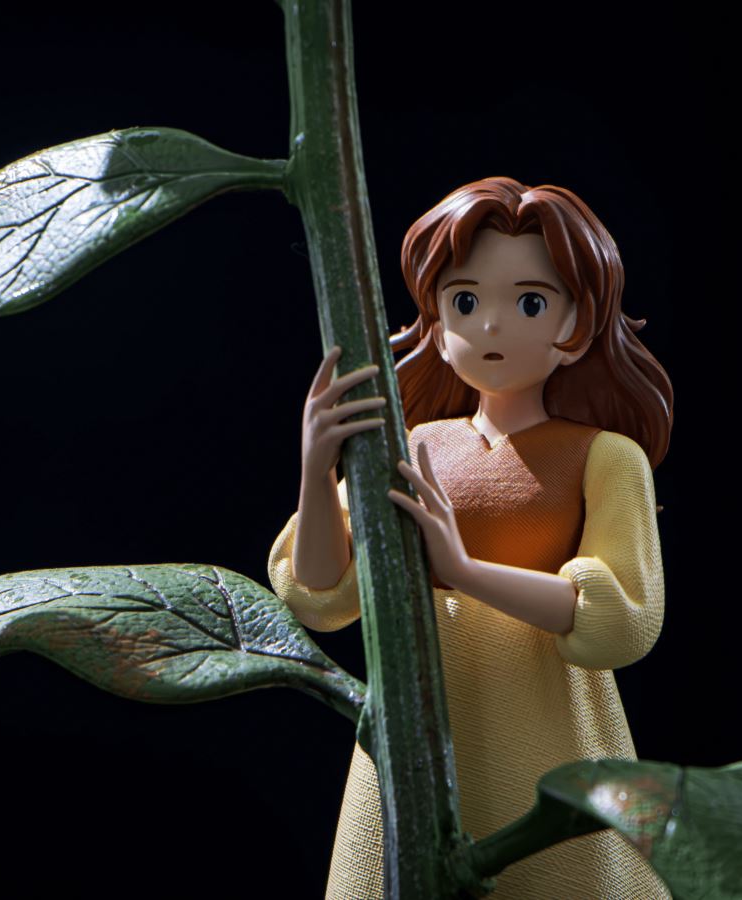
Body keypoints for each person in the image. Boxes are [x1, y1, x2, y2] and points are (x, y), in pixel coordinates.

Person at [268, 177, 674, 898]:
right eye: (463, 301)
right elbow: (323, 595)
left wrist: (462, 569)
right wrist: (316, 466)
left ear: (578, 324)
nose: (489, 326)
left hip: (546, 738)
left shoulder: (605, 457)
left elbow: (624, 617)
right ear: (434, 318)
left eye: (529, 302)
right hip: (416, 739)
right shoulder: (412, 444)